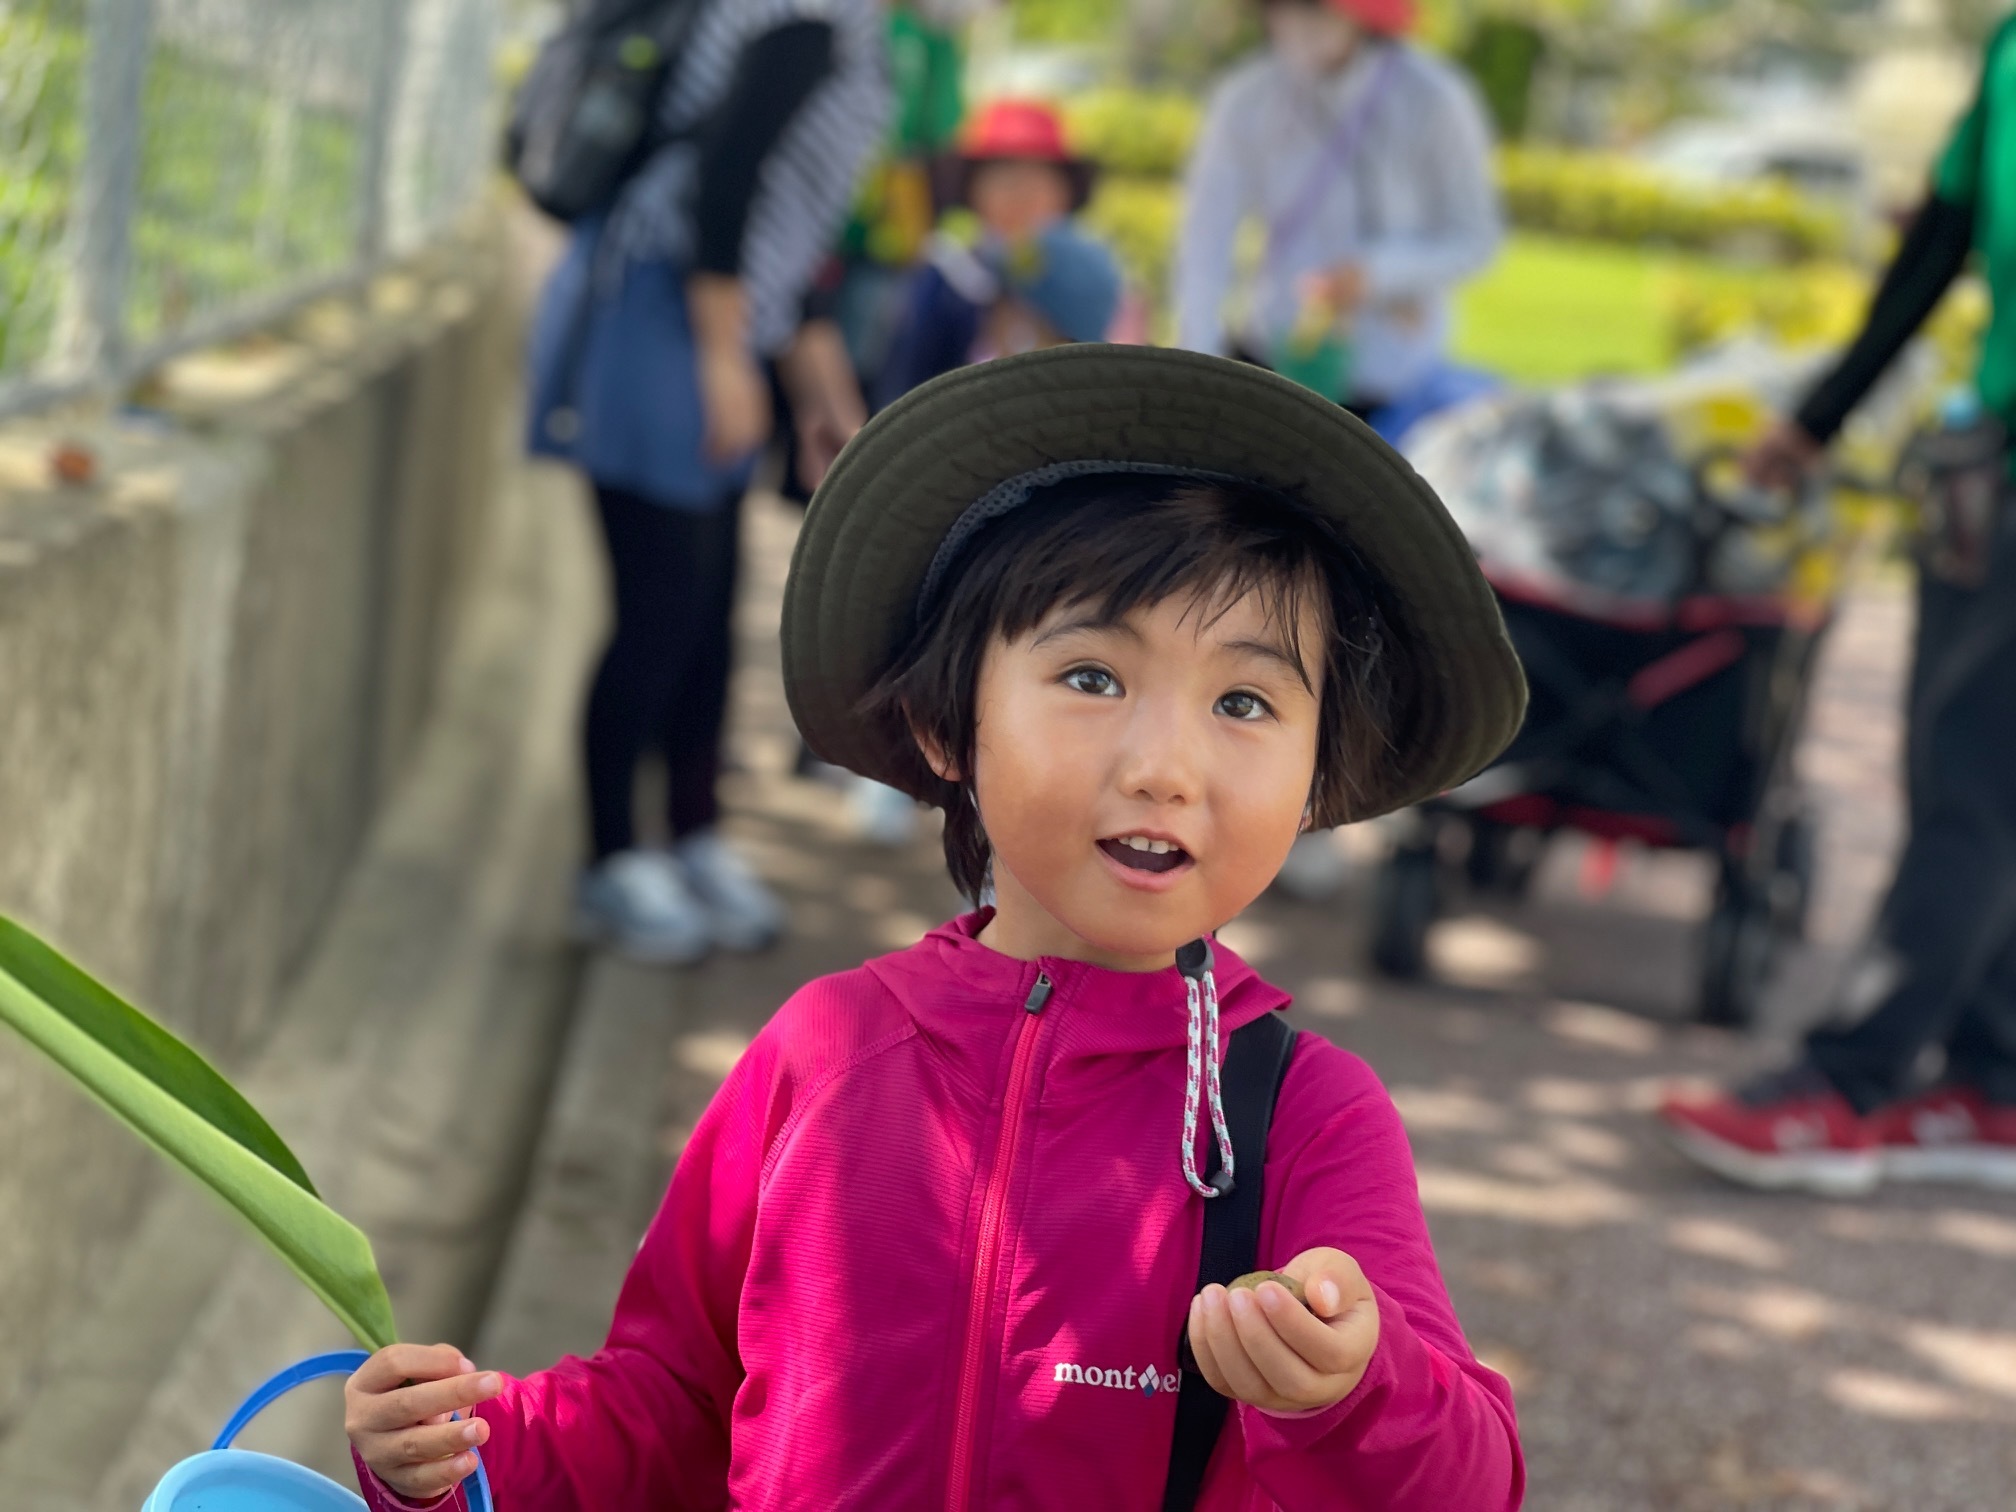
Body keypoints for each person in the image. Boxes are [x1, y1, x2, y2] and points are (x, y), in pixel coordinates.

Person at [341, 345, 1529, 1509]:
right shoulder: (823, 1052)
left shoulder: (1306, 1119)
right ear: (946, 725)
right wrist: (467, 1451)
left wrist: (1354, 1388)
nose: (1167, 767)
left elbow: (1472, 1479)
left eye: (1245, 701)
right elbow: (671, 1401)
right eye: (1092, 677)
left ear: (1319, 779)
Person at [1660, 16, 2016, 1197]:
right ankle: (1992, 1085)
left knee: (1969, 779)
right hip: (1996, 456)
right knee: (1979, 775)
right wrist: (1819, 415)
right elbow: (1943, 247)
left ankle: (1848, 1080)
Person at [526, 0, 891, 964]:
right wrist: (725, 357)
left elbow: (788, 217)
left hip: (707, 318)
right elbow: (723, 183)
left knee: (706, 608)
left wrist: (819, 384)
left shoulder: (849, 23)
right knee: (658, 608)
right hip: (666, 313)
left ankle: (692, 837)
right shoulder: (810, 13)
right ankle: (611, 862)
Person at [1173, 0, 1503, 902]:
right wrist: (1196, 376)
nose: (1297, 21)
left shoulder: (1433, 99)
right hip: (1269, 371)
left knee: (1358, 598)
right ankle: (1227, 795)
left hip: (1387, 381)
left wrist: (1381, 272)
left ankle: (1322, 801)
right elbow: (1204, 239)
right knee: (1241, 587)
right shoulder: (1248, 98)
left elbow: (1475, 236)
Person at [874, 98, 1123, 403]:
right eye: (1004, 177)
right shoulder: (946, 280)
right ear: (971, 188)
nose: (1021, 193)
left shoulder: (1091, 277)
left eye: (1038, 177)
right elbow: (904, 392)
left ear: (1067, 191)